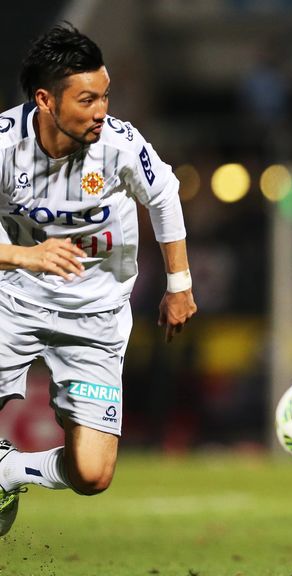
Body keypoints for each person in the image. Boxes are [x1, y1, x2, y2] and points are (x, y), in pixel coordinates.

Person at [0, 24, 196, 537]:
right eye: (87, 99)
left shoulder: (119, 144)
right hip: (13, 302)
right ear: (46, 100)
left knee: (92, 474)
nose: (101, 110)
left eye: (105, 95)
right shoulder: (3, 146)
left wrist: (180, 285)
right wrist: (25, 256)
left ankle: (7, 472)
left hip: (96, 318)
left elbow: (164, 197)